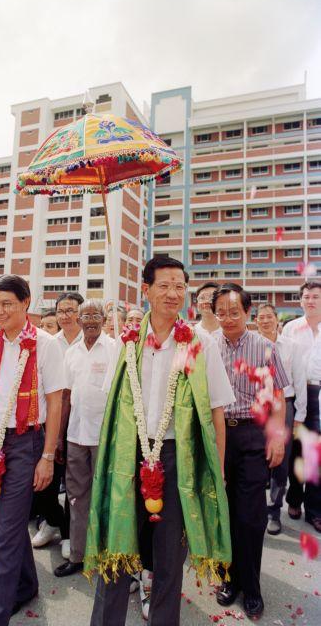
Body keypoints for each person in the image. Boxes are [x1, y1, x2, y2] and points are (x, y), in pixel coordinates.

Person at [86, 256, 235, 626]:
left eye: (179, 286)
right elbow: (112, 405)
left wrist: (215, 470)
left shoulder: (199, 343)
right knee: (117, 548)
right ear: (147, 290)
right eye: (164, 285)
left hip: (176, 457)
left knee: (169, 557)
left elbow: (216, 411)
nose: (173, 293)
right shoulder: (127, 342)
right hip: (129, 453)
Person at [0, 275, 65, 626]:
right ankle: (26, 585)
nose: (0, 310)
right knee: (2, 521)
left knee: (5, 533)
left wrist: (48, 457)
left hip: (25, 442)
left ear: (26, 303)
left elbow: (55, 402)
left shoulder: (46, 345)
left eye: (8, 303)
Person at [213, 284, 288, 620]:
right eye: (222, 312)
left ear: (247, 312)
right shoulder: (207, 347)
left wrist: (276, 438)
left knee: (251, 516)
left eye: (235, 312)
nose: (228, 318)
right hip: (218, 436)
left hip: (252, 436)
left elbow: (278, 399)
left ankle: (252, 586)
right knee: (223, 513)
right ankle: (229, 579)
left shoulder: (265, 347)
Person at [54, 300, 115, 578]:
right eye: (85, 315)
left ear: (104, 319)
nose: (90, 320)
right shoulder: (71, 353)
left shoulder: (116, 349)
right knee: (77, 497)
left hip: (106, 437)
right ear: (78, 320)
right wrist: (58, 437)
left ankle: (105, 555)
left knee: (107, 498)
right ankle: (78, 555)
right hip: (76, 435)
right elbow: (65, 397)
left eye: (95, 315)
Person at [32, 292, 83, 557]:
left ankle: (69, 533)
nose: (65, 316)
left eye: (70, 310)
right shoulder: (49, 343)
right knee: (44, 483)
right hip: (52, 418)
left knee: (74, 483)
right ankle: (52, 521)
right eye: (60, 310)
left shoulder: (92, 340)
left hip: (80, 420)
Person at [256, 303, 307, 535]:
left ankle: (274, 510)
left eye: (268, 317)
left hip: (284, 405)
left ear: (277, 320)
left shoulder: (291, 346)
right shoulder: (252, 343)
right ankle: (255, 508)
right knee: (257, 457)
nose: (264, 321)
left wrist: (299, 414)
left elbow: (298, 379)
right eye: (260, 317)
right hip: (258, 405)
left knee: (280, 459)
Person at [282, 281, 321, 532]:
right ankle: (294, 499)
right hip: (298, 393)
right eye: (306, 297)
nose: (311, 301)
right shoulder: (291, 328)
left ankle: (315, 510)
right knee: (296, 450)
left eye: (316, 297)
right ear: (300, 301)